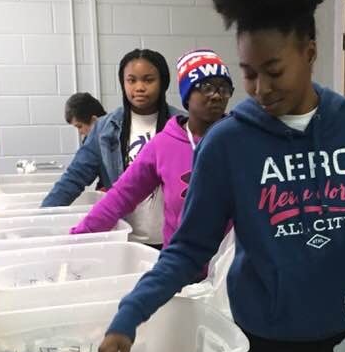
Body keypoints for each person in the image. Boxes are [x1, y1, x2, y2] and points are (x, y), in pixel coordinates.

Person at [98, 0, 345, 352]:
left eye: (274, 71)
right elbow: (188, 248)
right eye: (249, 73)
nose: (260, 88)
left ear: (310, 52)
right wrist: (129, 314)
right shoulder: (229, 144)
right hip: (263, 339)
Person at [70, 50, 233, 247]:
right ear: (187, 93)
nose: (216, 96)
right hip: (183, 267)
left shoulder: (241, 140)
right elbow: (121, 196)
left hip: (235, 267)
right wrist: (76, 238)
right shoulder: (164, 144)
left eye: (224, 89)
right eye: (206, 87)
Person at [41, 49, 181, 247]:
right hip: (125, 240)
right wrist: (42, 219)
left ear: (163, 82)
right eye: (131, 80)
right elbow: (73, 178)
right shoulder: (104, 129)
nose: (139, 87)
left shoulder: (182, 126)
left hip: (174, 242)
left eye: (148, 80)